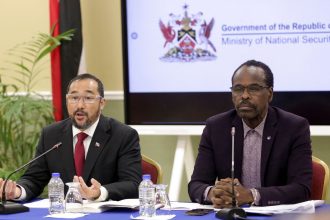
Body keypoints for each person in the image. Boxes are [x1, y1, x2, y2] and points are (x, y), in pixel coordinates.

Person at [188, 60, 312, 207]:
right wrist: (213, 193)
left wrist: (251, 195)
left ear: (270, 94)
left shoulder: (294, 127)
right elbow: (196, 184)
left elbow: (301, 189)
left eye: (253, 89)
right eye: (238, 89)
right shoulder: (216, 127)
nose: (245, 96)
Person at [0, 73, 142, 202]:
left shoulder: (123, 135)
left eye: (88, 98)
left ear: (102, 103)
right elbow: (34, 179)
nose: (80, 105)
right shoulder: (51, 134)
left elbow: (133, 183)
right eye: (74, 98)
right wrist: (17, 192)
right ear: (67, 101)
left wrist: (99, 192)